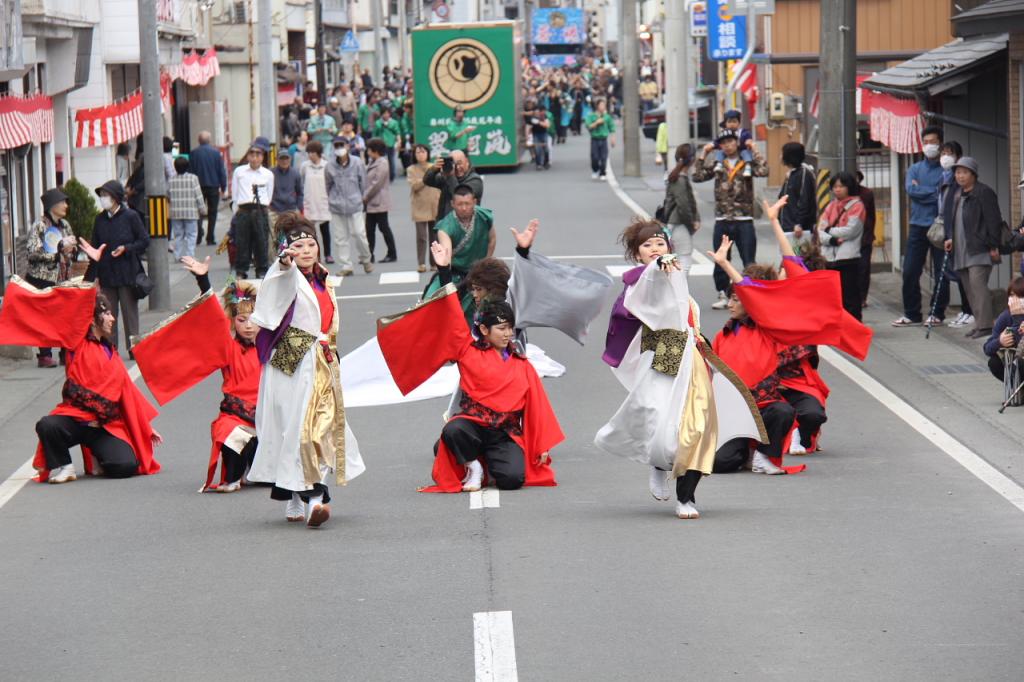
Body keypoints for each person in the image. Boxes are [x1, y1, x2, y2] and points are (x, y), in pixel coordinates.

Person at [595, 220, 766, 519]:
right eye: (646, 245)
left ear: (670, 247)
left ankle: (686, 497)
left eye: (660, 243)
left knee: (698, 428)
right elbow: (641, 289)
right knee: (661, 427)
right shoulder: (642, 281)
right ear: (638, 255)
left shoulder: (676, 276)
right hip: (661, 360)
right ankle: (659, 464)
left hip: (693, 362)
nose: (655, 249)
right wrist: (656, 267)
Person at [377, 282, 562, 494]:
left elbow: (538, 407)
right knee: (453, 429)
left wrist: (542, 445)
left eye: (510, 328)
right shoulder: (468, 352)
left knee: (512, 480)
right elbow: (452, 317)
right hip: (472, 428)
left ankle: (486, 463)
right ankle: (473, 466)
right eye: (501, 328)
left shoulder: (523, 365)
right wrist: (444, 270)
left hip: (504, 432)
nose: (507, 334)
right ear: (484, 329)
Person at [249, 213, 366, 527]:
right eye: (299, 245)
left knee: (320, 430)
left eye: (311, 244)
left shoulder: (323, 278)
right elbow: (276, 284)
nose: (306, 250)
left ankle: (311, 497)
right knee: (295, 429)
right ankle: (304, 496)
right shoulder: (288, 274)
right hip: (293, 358)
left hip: (323, 361)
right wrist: (283, 264)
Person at [0, 275, 162, 483]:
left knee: (125, 466)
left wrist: (146, 426)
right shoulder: (76, 344)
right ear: (93, 319)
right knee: (47, 425)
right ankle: (66, 466)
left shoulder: (110, 351)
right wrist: (93, 270)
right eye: (107, 314)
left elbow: (127, 392)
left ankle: (97, 455)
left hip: (103, 426)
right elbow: (81, 306)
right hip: (75, 421)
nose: (112, 318)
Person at [133, 255, 262, 492]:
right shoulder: (228, 345)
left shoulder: (270, 346)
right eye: (242, 320)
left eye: (253, 319)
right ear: (234, 322)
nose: (249, 325)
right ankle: (235, 475)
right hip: (235, 416)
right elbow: (213, 317)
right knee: (229, 433)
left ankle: (254, 467)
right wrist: (203, 279)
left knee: (271, 473)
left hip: (267, 418)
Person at [692, 129, 769, 309]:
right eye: (724, 142)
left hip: (744, 218)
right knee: (721, 259)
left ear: (737, 142)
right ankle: (723, 294)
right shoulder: (719, 162)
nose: (727, 145)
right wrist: (704, 154)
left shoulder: (746, 161)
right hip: (722, 218)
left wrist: (755, 149)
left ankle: (749, 294)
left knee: (749, 259)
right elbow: (697, 176)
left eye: (731, 141)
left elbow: (764, 170)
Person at [85, 180, 149, 354]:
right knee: (107, 315)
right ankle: (109, 349)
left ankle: (134, 348)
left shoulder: (131, 217)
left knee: (130, 315)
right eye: (102, 196)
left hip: (128, 273)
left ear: (116, 198)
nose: (103, 199)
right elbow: (95, 249)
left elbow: (144, 240)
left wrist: (126, 248)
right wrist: (93, 277)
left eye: (106, 195)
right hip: (107, 274)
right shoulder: (99, 219)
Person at [893, 126, 947, 327]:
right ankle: (911, 313)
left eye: (933, 141)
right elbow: (911, 190)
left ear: (940, 143)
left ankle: (937, 313)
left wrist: (922, 191)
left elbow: (942, 195)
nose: (929, 146)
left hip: (939, 225)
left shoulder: (945, 171)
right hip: (917, 225)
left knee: (941, 271)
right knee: (909, 271)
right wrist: (932, 193)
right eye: (926, 142)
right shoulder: (914, 168)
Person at [944, 156, 1003, 339]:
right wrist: (950, 238)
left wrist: (993, 245)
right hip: (961, 249)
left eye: (964, 172)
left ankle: (986, 325)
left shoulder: (984, 192)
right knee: (969, 289)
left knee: (978, 286)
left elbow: (994, 221)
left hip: (980, 248)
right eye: (957, 172)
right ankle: (979, 323)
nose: (960, 176)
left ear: (973, 174)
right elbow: (955, 221)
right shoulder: (957, 194)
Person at [422, 185, 496, 321]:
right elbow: (446, 254)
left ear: (474, 202)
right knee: (429, 302)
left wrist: (485, 263)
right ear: (452, 204)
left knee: (493, 307)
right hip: (454, 273)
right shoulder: (445, 227)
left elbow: (492, 240)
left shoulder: (485, 217)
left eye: (467, 203)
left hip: (479, 273)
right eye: (459, 204)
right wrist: (447, 274)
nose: (463, 208)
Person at [25, 188, 77, 367]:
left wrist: (72, 250)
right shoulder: (40, 225)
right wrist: (57, 251)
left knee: (65, 316)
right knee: (45, 317)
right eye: (62, 202)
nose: (65, 206)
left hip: (63, 277)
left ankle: (65, 353)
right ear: (51, 206)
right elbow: (32, 251)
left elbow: (72, 246)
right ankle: (44, 355)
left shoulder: (65, 225)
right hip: (43, 278)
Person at [817, 171, 866, 320]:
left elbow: (851, 230)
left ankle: (853, 325)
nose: (838, 189)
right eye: (835, 186)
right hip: (829, 257)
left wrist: (829, 231)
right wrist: (830, 239)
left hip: (848, 256)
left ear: (849, 187)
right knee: (832, 296)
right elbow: (819, 231)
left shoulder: (857, 206)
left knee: (850, 295)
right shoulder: (831, 206)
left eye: (842, 186)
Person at [937, 141, 975, 329]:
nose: (945, 156)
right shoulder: (945, 178)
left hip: (961, 233)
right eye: (942, 152)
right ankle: (966, 309)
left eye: (949, 153)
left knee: (965, 275)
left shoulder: (957, 184)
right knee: (959, 273)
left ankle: (970, 311)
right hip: (951, 231)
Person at [325, 136, 373, 276]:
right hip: (337, 205)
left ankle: (366, 259)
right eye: (336, 146)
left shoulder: (357, 163)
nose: (339, 148)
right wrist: (332, 199)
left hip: (355, 204)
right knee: (340, 237)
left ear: (347, 146)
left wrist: (361, 198)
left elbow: (363, 183)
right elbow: (328, 185)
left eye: (342, 145)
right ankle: (346, 266)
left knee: (359, 233)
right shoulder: (329, 166)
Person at [230, 137, 275, 280]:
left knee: (261, 241)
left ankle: (262, 269)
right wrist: (236, 212)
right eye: (252, 154)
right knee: (242, 242)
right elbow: (235, 194)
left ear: (262, 157)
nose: (255, 158)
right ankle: (241, 270)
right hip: (243, 210)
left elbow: (269, 194)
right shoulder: (240, 171)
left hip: (260, 210)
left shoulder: (268, 174)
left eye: (258, 155)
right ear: (248, 156)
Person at [661, 143, 701, 273]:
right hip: (679, 223)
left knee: (670, 259)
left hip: (672, 223)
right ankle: (679, 290)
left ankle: (671, 290)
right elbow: (683, 205)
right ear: (693, 159)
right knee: (684, 258)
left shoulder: (675, 176)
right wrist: (691, 223)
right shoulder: (680, 179)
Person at [424, 149, 484, 221]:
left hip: (465, 225)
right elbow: (427, 181)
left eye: (460, 163)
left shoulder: (475, 180)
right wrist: (434, 169)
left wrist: (450, 176)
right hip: (445, 223)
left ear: (467, 162)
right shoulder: (447, 176)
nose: (457, 167)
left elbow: (460, 196)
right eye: (454, 165)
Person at [408, 143, 441, 273]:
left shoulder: (434, 167)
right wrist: (428, 176)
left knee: (435, 237)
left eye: (423, 152)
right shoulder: (411, 169)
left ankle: (434, 263)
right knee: (421, 237)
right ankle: (421, 263)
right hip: (419, 206)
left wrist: (433, 170)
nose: (421, 154)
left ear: (427, 153)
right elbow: (415, 186)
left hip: (434, 204)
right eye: (418, 152)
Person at [191, 131, 228, 246]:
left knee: (198, 212)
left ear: (199, 141)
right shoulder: (216, 153)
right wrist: (223, 187)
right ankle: (210, 237)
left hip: (198, 186)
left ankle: (198, 236)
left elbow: (190, 171)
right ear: (209, 140)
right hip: (213, 185)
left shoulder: (193, 153)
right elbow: (221, 171)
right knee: (212, 212)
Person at [983, 278, 1024, 381]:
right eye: (1011, 295)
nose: (1015, 300)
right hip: (1015, 360)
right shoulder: (1006, 316)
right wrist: (1000, 341)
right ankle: (1018, 390)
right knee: (994, 363)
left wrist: (1019, 319)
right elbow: (987, 348)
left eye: (1020, 296)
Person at [363, 137, 397, 263]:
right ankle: (369, 254)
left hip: (379, 200)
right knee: (369, 229)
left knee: (384, 227)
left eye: (369, 150)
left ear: (375, 150)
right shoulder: (373, 161)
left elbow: (376, 183)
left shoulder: (382, 163)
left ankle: (392, 253)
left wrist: (365, 196)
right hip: (372, 201)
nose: (368, 152)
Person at [167, 156, 207, 261]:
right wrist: (202, 208)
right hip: (191, 212)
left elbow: (167, 195)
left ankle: (178, 256)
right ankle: (190, 256)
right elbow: (198, 195)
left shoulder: (171, 180)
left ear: (175, 167)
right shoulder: (193, 178)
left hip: (176, 212)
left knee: (178, 235)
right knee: (192, 234)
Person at [777, 142, 817, 245]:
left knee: (797, 259)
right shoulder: (792, 174)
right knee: (789, 259)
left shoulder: (804, 174)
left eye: (782, 153)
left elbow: (804, 200)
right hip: (787, 226)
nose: (780, 156)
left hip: (797, 229)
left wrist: (799, 223)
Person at [301, 140, 333, 264]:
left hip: (323, 200)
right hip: (309, 201)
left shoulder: (326, 165)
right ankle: (314, 255)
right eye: (308, 152)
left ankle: (328, 254)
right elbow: (302, 180)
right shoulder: (305, 166)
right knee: (310, 232)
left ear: (319, 153)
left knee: (325, 230)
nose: (310, 155)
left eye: (312, 152)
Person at [856, 170, 877, 309]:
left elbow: (872, 216)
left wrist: (869, 235)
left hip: (865, 237)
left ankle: (862, 297)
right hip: (846, 240)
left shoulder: (867, 193)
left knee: (864, 268)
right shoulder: (842, 196)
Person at [584, 98, 615, 180]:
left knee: (604, 157)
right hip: (595, 139)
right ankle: (595, 170)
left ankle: (602, 172)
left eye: (604, 105)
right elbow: (588, 126)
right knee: (595, 157)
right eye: (601, 105)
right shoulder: (591, 116)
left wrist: (613, 138)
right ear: (597, 106)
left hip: (604, 139)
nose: (603, 107)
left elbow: (612, 128)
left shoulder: (607, 117)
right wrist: (596, 123)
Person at [269, 149, 304, 218]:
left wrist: (299, 208)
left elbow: (300, 193)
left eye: (286, 158)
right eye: (281, 158)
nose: (284, 161)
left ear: (290, 159)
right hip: (274, 211)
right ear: (277, 160)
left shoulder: (296, 173)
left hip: (291, 211)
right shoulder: (270, 173)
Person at [373, 106, 402, 182]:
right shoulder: (378, 123)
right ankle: (380, 176)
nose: (386, 115)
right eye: (384, 113)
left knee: (391, 160)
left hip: (390, 143)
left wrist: (399, 141)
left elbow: (397, 132)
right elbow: (374, 134)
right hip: (380, 144)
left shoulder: (394, 122)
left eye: (387, 113)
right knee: (379, 161)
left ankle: (391, 176)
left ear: (390, 114)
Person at [530, 104, 552, 170]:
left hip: (544, 134)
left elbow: (547, 125)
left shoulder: (544, 116)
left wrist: (539, 122)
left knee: (546, 148)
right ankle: (538, 164)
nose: (544, 112)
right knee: (537, 150)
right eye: (542, 111)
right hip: (536, 135)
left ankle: (546, 162)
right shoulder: (533, 117)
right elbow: (529, 126)